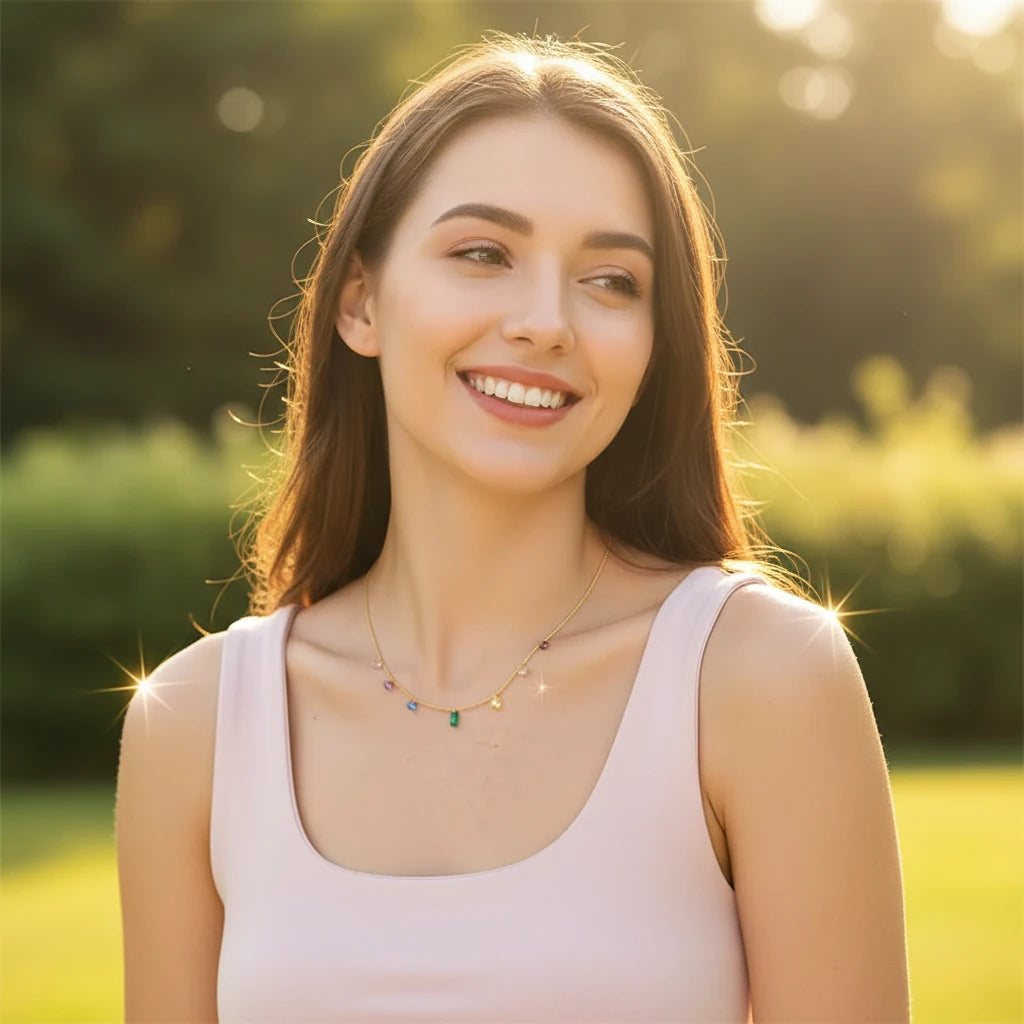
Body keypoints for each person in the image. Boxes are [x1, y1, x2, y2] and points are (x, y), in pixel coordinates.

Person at [115, 33, 911, 1023]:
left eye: (611, 279)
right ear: (360, 302)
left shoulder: (760, 678)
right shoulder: (194, 723)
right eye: (482, 254)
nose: (546, 321)